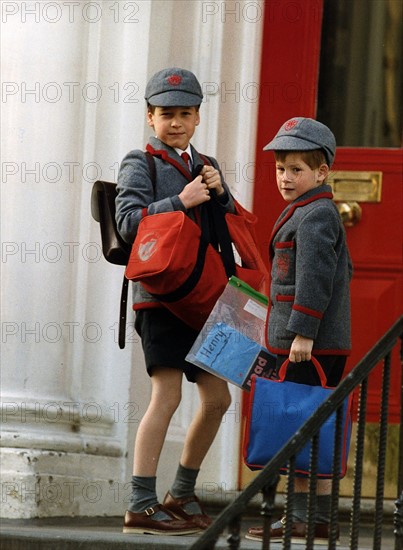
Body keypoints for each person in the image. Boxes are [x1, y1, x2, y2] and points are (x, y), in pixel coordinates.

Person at [115, 67, 232, 536]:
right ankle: (140, 502)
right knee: (167, 393)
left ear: (198, 118)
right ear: (150, 116)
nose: (176, 122)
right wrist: (180, 201)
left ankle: (181, 493)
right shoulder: (138, 161)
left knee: (219, 398)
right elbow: (128, 223)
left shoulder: (208, 163)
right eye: (166, 114)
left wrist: (222, 198)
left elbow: (228, 230)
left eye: (185, 114)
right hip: (160, 298)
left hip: (207, 299)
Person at [246, 117, 352, 543]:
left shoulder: (315, 216)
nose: (285, 178)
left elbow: (314, 279)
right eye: (279, 169)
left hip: (308, 344)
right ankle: (321, 519)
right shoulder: (307, 212)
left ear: (322, 172)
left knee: (302, 429)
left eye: (296, 170)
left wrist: (303, 333)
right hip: (305, 342)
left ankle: (302, 519)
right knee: (315, 426)